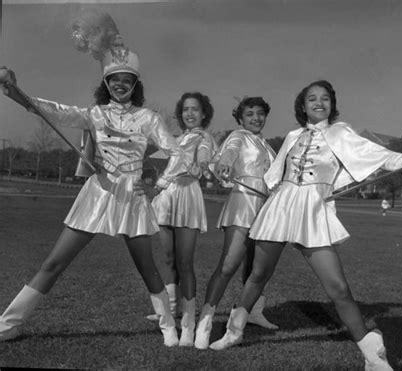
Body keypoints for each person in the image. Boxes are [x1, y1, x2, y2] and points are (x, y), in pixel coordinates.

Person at [208, 80, 402, 370]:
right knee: (258, 274)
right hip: (280, 206)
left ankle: (371, 353)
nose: (318, 102)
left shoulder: (342, 133)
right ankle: (234, 331)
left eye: (324, 98)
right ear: (302, 106)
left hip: (312, 210)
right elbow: (271, 173)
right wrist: (227, 170)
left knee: (338, 287)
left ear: (332, 104)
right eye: (312, 98)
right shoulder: (292, 135)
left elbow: (382, 156)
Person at [0, 45, 187, 347]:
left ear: (135, 85)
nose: (120, 84)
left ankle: (168, 327)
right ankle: (8, 325)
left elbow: (178, 154)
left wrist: (157, 185)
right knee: (53, 263)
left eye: (127, 79)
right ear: (106, 84)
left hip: (131, 197)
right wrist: (13, 89)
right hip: (97, 194)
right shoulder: (94, 114)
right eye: (114, 79)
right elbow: (54, 111)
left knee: (147, 267)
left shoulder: (149, 118)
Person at [194, 97, 278, 350]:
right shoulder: (239, 135)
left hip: (266, 208)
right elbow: (229, 151)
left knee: (256, 268)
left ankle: (253, 312)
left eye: (260, 113)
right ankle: (204, 322)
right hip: (243, 203)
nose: (255, 118)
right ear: (241, 119)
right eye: (250, 114)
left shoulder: (268, 146)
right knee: (228, 265)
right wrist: (224, 164)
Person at [144, 92, 216, 347]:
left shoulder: (204, 137)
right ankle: (172, 309)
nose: (190, 114)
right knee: (169, 259)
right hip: (166, 197)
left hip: (187, 197)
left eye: (195, 109)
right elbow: (168, 166)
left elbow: (205, 155)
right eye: (185, 109)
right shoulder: (177, 139)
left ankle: (188, 323)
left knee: (185, 263)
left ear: (204, 113)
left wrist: (204, 164)